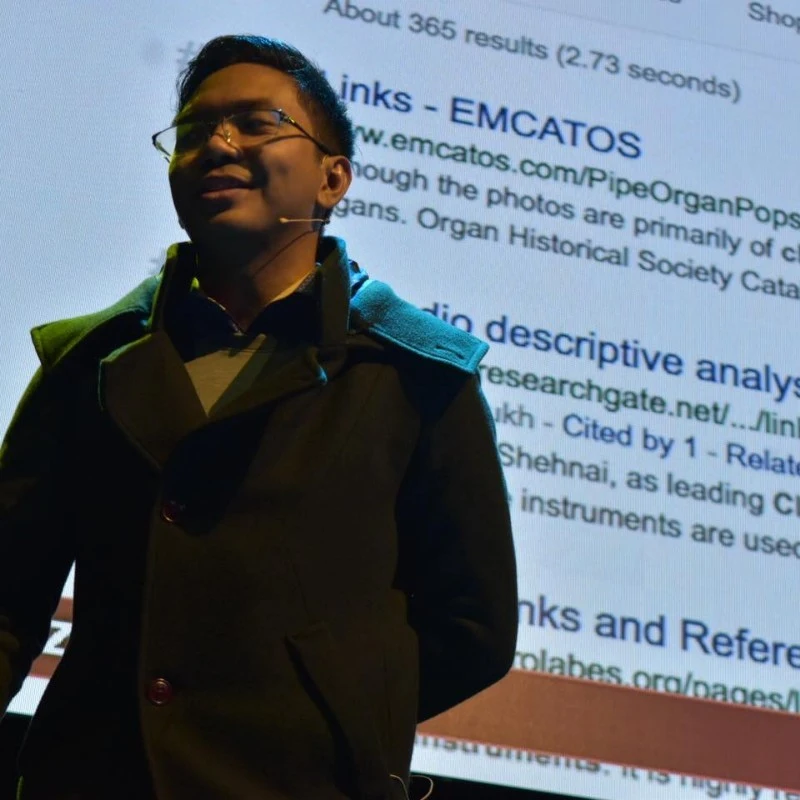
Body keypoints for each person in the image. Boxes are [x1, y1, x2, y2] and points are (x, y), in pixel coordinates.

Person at [0, 35, 518, 799]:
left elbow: (472, 630)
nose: (217, 145)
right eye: (192, 132)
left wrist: (320, 726)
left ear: (332, 177)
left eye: (255, 123)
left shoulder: (417, 377)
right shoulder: (87, 365)